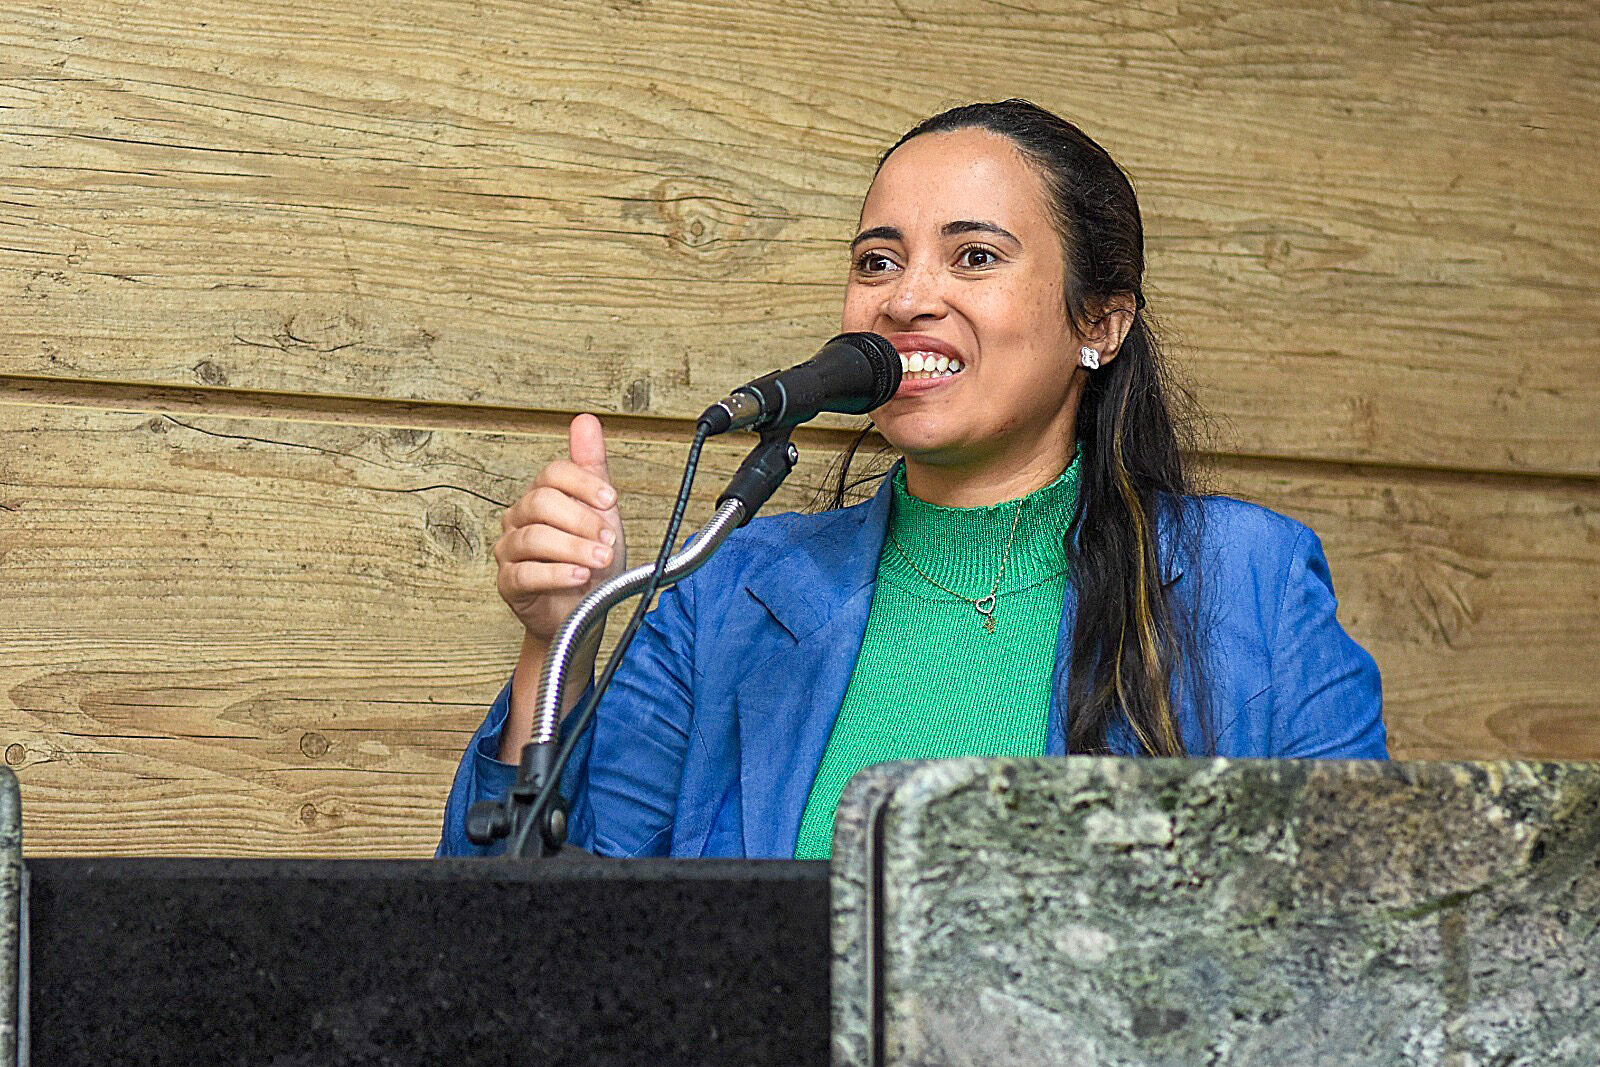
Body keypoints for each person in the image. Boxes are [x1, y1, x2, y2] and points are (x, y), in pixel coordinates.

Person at [438, 99, 1386, 860]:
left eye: (974, 256)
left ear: (1100, 321)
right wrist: (553, 645)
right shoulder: (727, 589)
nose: (905, 298)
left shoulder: (1252, 582)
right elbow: (540, 945)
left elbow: (1361, 932)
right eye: (877, 260)